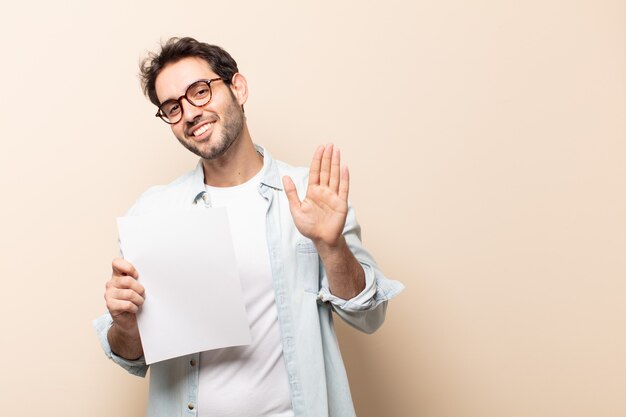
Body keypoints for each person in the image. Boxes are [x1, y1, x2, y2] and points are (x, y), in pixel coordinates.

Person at [93, 37, 404, 417]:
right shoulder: (152, 213)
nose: (190, 113)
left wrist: (332, 246)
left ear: (237, 88)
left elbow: (369, 317)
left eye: (200, 91)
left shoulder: (311, 195)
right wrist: (125, 324)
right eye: (172, 107)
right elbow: (132, 355)